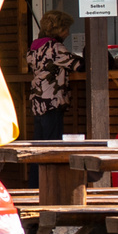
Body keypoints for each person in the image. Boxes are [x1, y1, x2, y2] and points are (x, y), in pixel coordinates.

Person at [28, 9, 79, 141]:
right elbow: (77, 65)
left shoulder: (35, 46)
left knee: (39, 142)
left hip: (38, 101)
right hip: (52, 102)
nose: (68, 33)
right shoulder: (54, 48)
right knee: (52, 142)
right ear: (59, 29)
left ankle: (35, 163)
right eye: (66, 29)